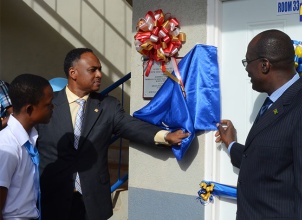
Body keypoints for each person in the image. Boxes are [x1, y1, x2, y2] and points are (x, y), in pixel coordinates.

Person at [36, 48, 190, 220]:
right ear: (73, 73)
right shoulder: (48, 105)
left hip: (93, 202)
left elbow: (131, 126)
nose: (99, 74)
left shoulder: (108, 106)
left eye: (100, 69)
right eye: (92, 70)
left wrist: (165, 136)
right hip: (53, 199)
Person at [215, 29, 302, 219]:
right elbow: (269, 161)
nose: (246, 69)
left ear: (264, 65)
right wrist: (231, 145)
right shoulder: (273, 102)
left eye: (247, 62)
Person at [0, 74, 53, 220]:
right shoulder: (7, 147)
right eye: (48, 104)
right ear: (29, 109)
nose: (53, 108)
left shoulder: (30, 138)